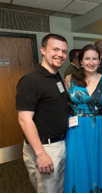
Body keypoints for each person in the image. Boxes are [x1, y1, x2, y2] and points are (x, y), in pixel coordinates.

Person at [16, 33, 69, 193]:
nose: (60, 55)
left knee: (60, 189)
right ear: (43, 50)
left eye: (64, 51)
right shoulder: (31, 80)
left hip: (61, 144)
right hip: (45, 148)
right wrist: (41, 154)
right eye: (56, 49)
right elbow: (24, 120)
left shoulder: (56, 76)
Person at [63, 44, 102, 193]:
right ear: (80, 61)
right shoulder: (70, 79)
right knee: (78, 163)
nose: (91, 62)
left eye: (95, 59)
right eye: (87, 59)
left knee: (100, 162)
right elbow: (62, 105)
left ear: (100, 61)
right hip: (76, 129)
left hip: (100, 127)